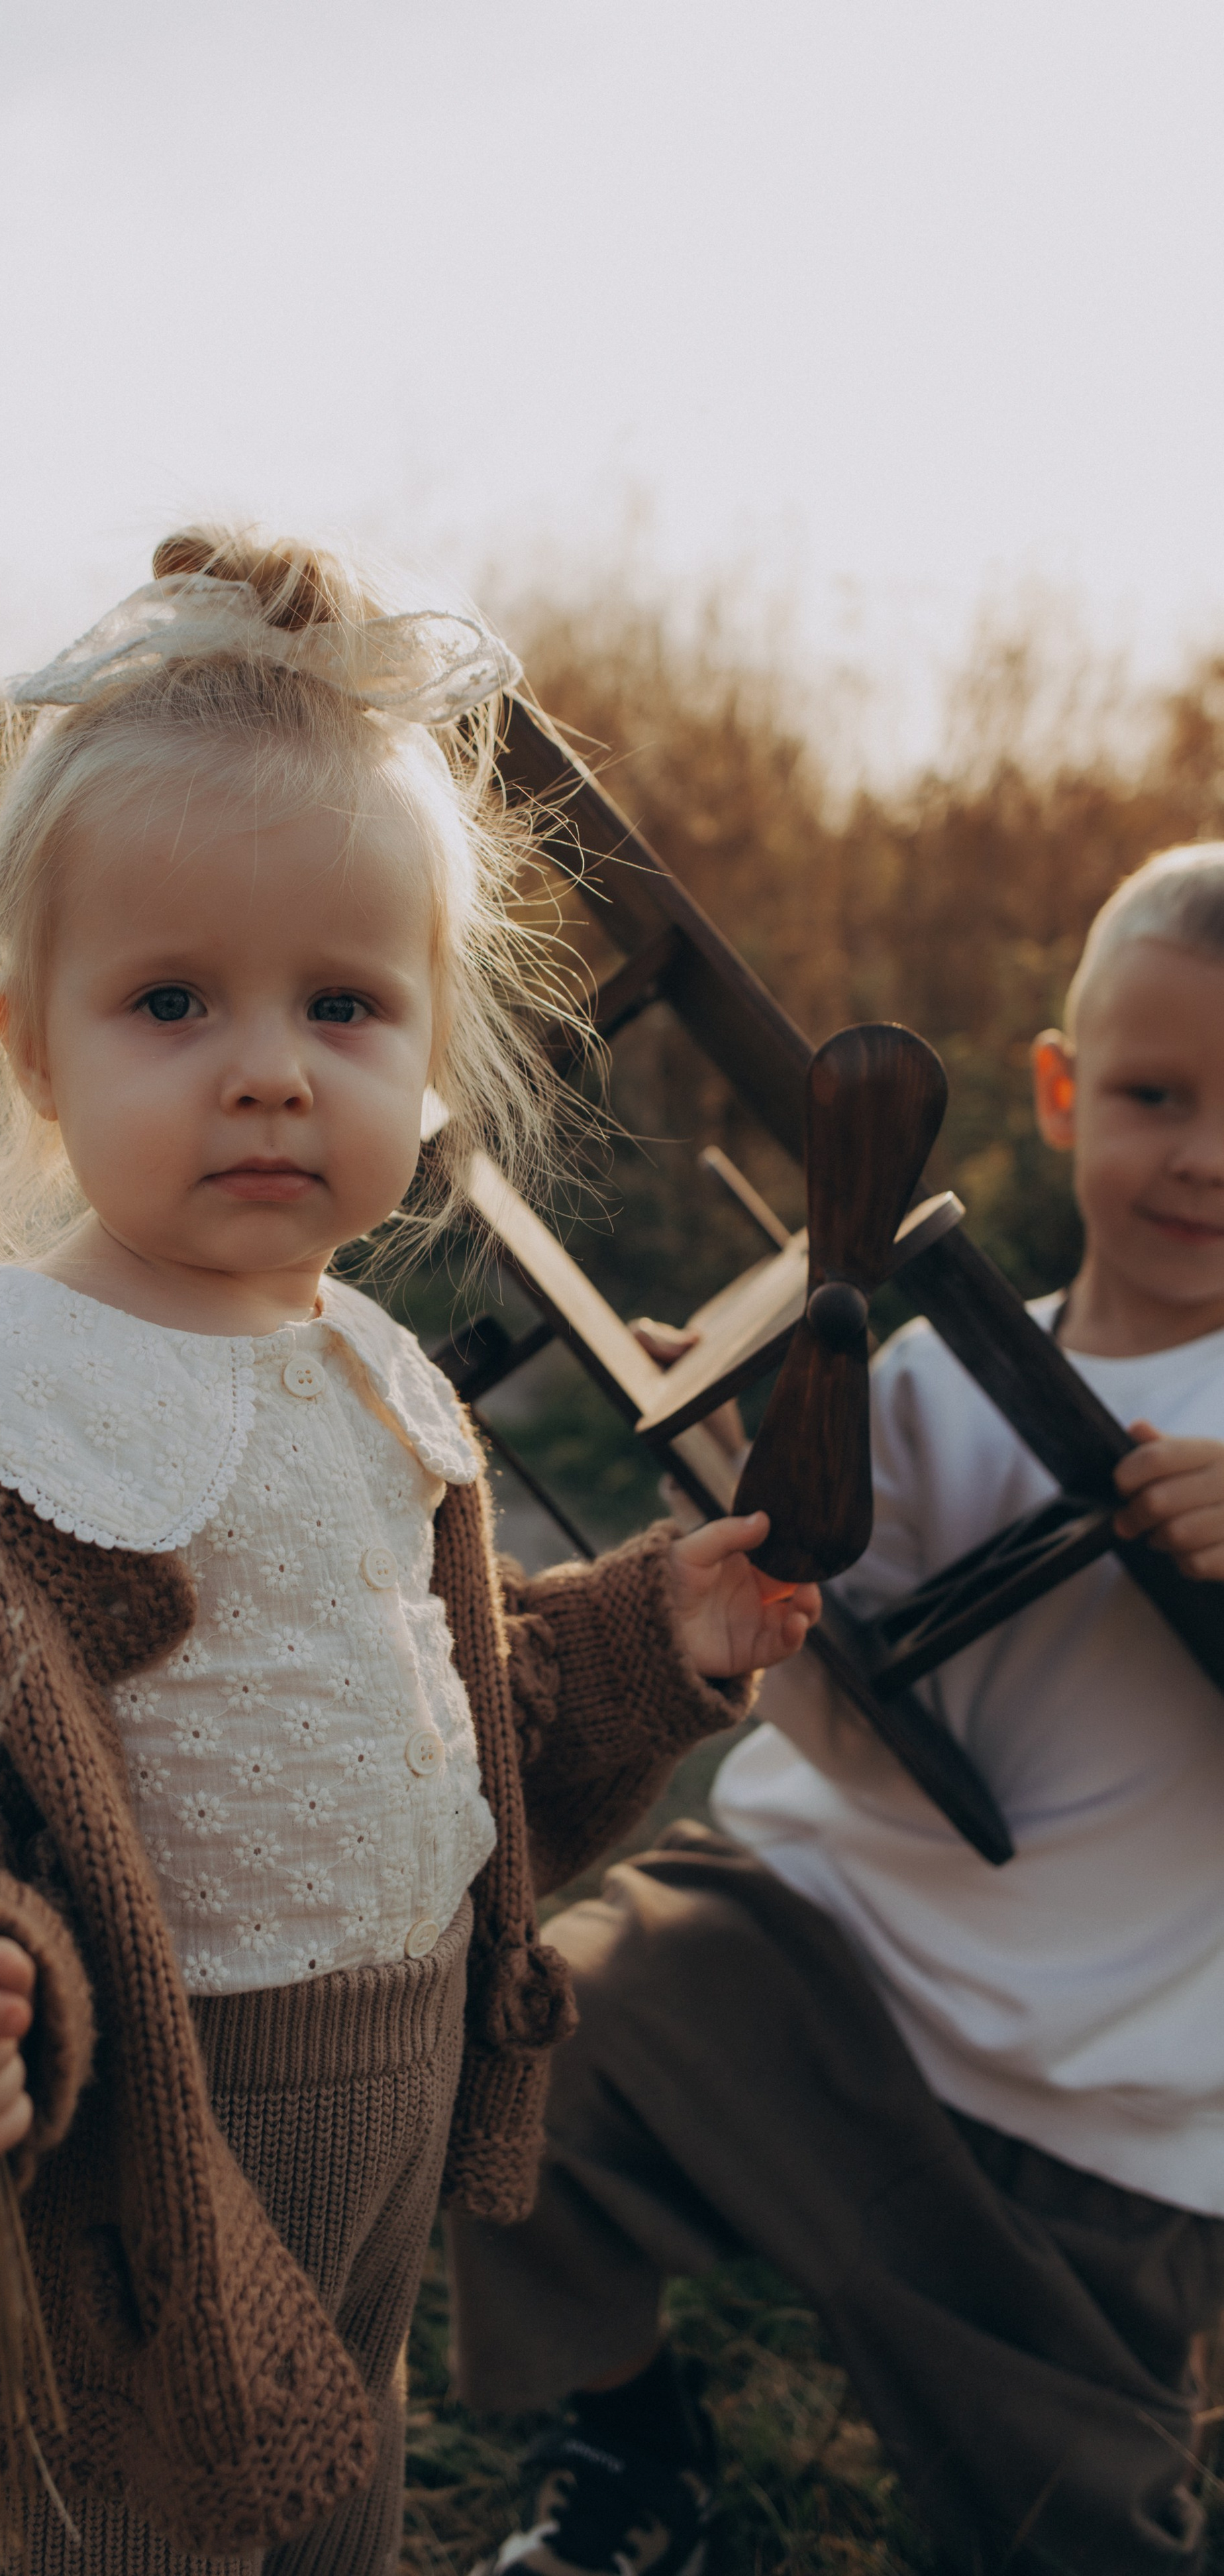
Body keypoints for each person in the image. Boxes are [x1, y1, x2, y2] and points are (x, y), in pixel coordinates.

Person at [0, 529, 819, 2576]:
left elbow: (450, 1725)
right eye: (174, 999)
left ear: (432, 1056)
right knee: (93, 2531)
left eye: (346, 1003)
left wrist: (662, 1630)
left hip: (371, 2121)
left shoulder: (383, 1388)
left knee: (325, 2498)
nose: (271, 1062)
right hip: (114, 2174)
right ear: (37, 1047)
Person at [452, 841, 1224, 2576]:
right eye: (1158, 1093)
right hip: (823, 1953)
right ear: (1058, 1089)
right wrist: (744, 1458)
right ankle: (634, 2458)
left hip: (1100, 2107)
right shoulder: (943, 1361)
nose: (1207, 1156)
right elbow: (830, 1668)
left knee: (1074, 2529)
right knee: (521, 2058)